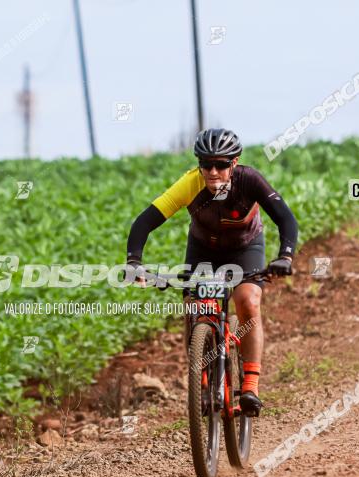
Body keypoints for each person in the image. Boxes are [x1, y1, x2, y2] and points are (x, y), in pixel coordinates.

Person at [125, 128, 298, 417]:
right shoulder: (190, 184)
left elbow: (285, 219)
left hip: (245, 247)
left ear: (234, 162)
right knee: (193, 307)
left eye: (220, 164)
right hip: (203, 249)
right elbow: (145, 221)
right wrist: (134, 261)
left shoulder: (249, 180)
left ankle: (251, 386)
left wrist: (285, 256)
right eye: (206, 164)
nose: (213, 171)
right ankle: (201, 380)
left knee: (247, 302)